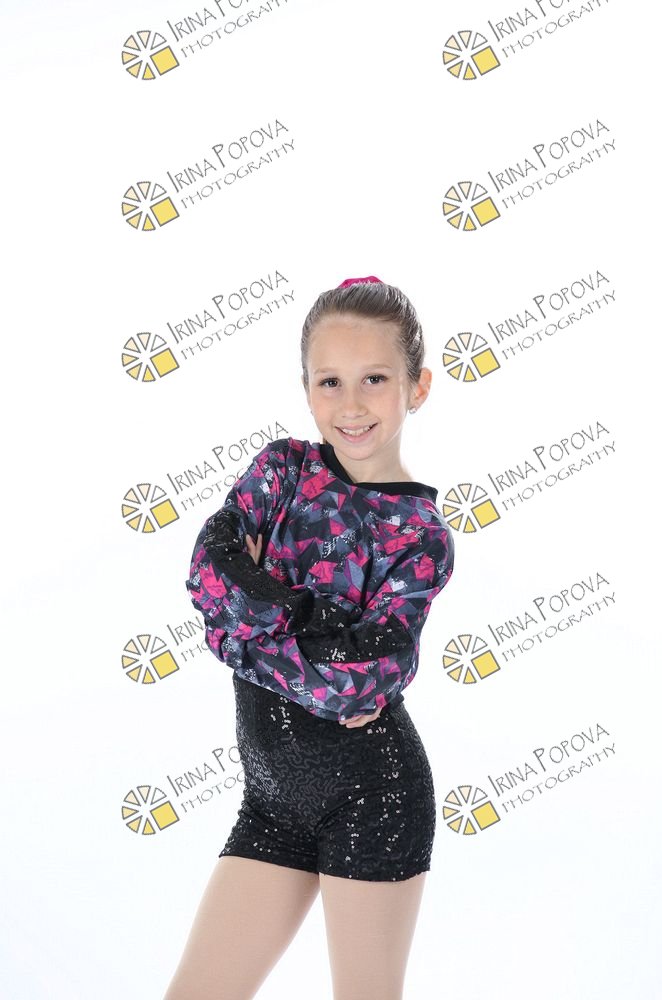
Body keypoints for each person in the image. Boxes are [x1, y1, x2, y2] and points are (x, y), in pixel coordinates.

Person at [163, 275, 455, 1000]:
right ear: (306, 389)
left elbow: (361, 681)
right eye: (330, 381)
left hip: (374, 797)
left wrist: (242, 628)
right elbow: (206, 574)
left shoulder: (418, 534)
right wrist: (316, 625)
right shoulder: (282, 470)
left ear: (417, 387)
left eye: (374, 379)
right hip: (269, 802)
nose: (350, 405)